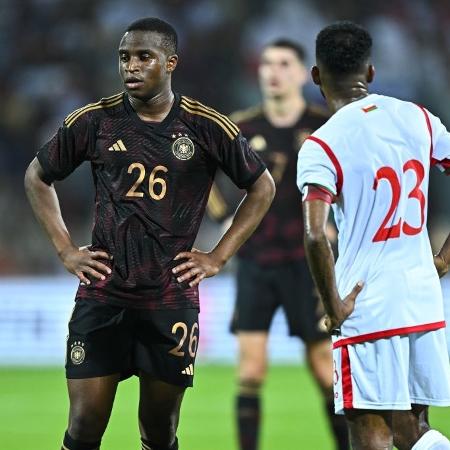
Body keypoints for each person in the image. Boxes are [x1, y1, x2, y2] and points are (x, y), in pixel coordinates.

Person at [24, 17, 275, 450]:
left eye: (144, 57)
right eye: (125, 58)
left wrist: (218, 256)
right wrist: (66, 250)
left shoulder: (205, 126)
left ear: (170, 63)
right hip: (104, 294)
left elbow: (262, 186)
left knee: (159, 430)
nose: (132, 67)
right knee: (84, 425)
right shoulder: (95, 121)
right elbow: (37, 176)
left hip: (170, 297)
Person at [297, 21, 450, 450]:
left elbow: (314, 236)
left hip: (366, 303)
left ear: (315, 77)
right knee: (415, 431)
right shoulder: (419, 118)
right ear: (371, 72)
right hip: (422, 295)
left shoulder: (322, 145)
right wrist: (444, 258)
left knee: (369, 435)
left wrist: (333, 307)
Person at [207, 39, 349, 450]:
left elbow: (352, 179)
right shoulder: (242, 127)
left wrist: (337, 220)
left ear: (304, 72)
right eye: (267, 63)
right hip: (255, 260)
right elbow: (204, 175)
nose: (273, 71)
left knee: (324, 369)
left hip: (309, 262)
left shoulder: (327, 124)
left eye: (284, 63)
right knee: (250, 370)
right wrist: (224, 219)